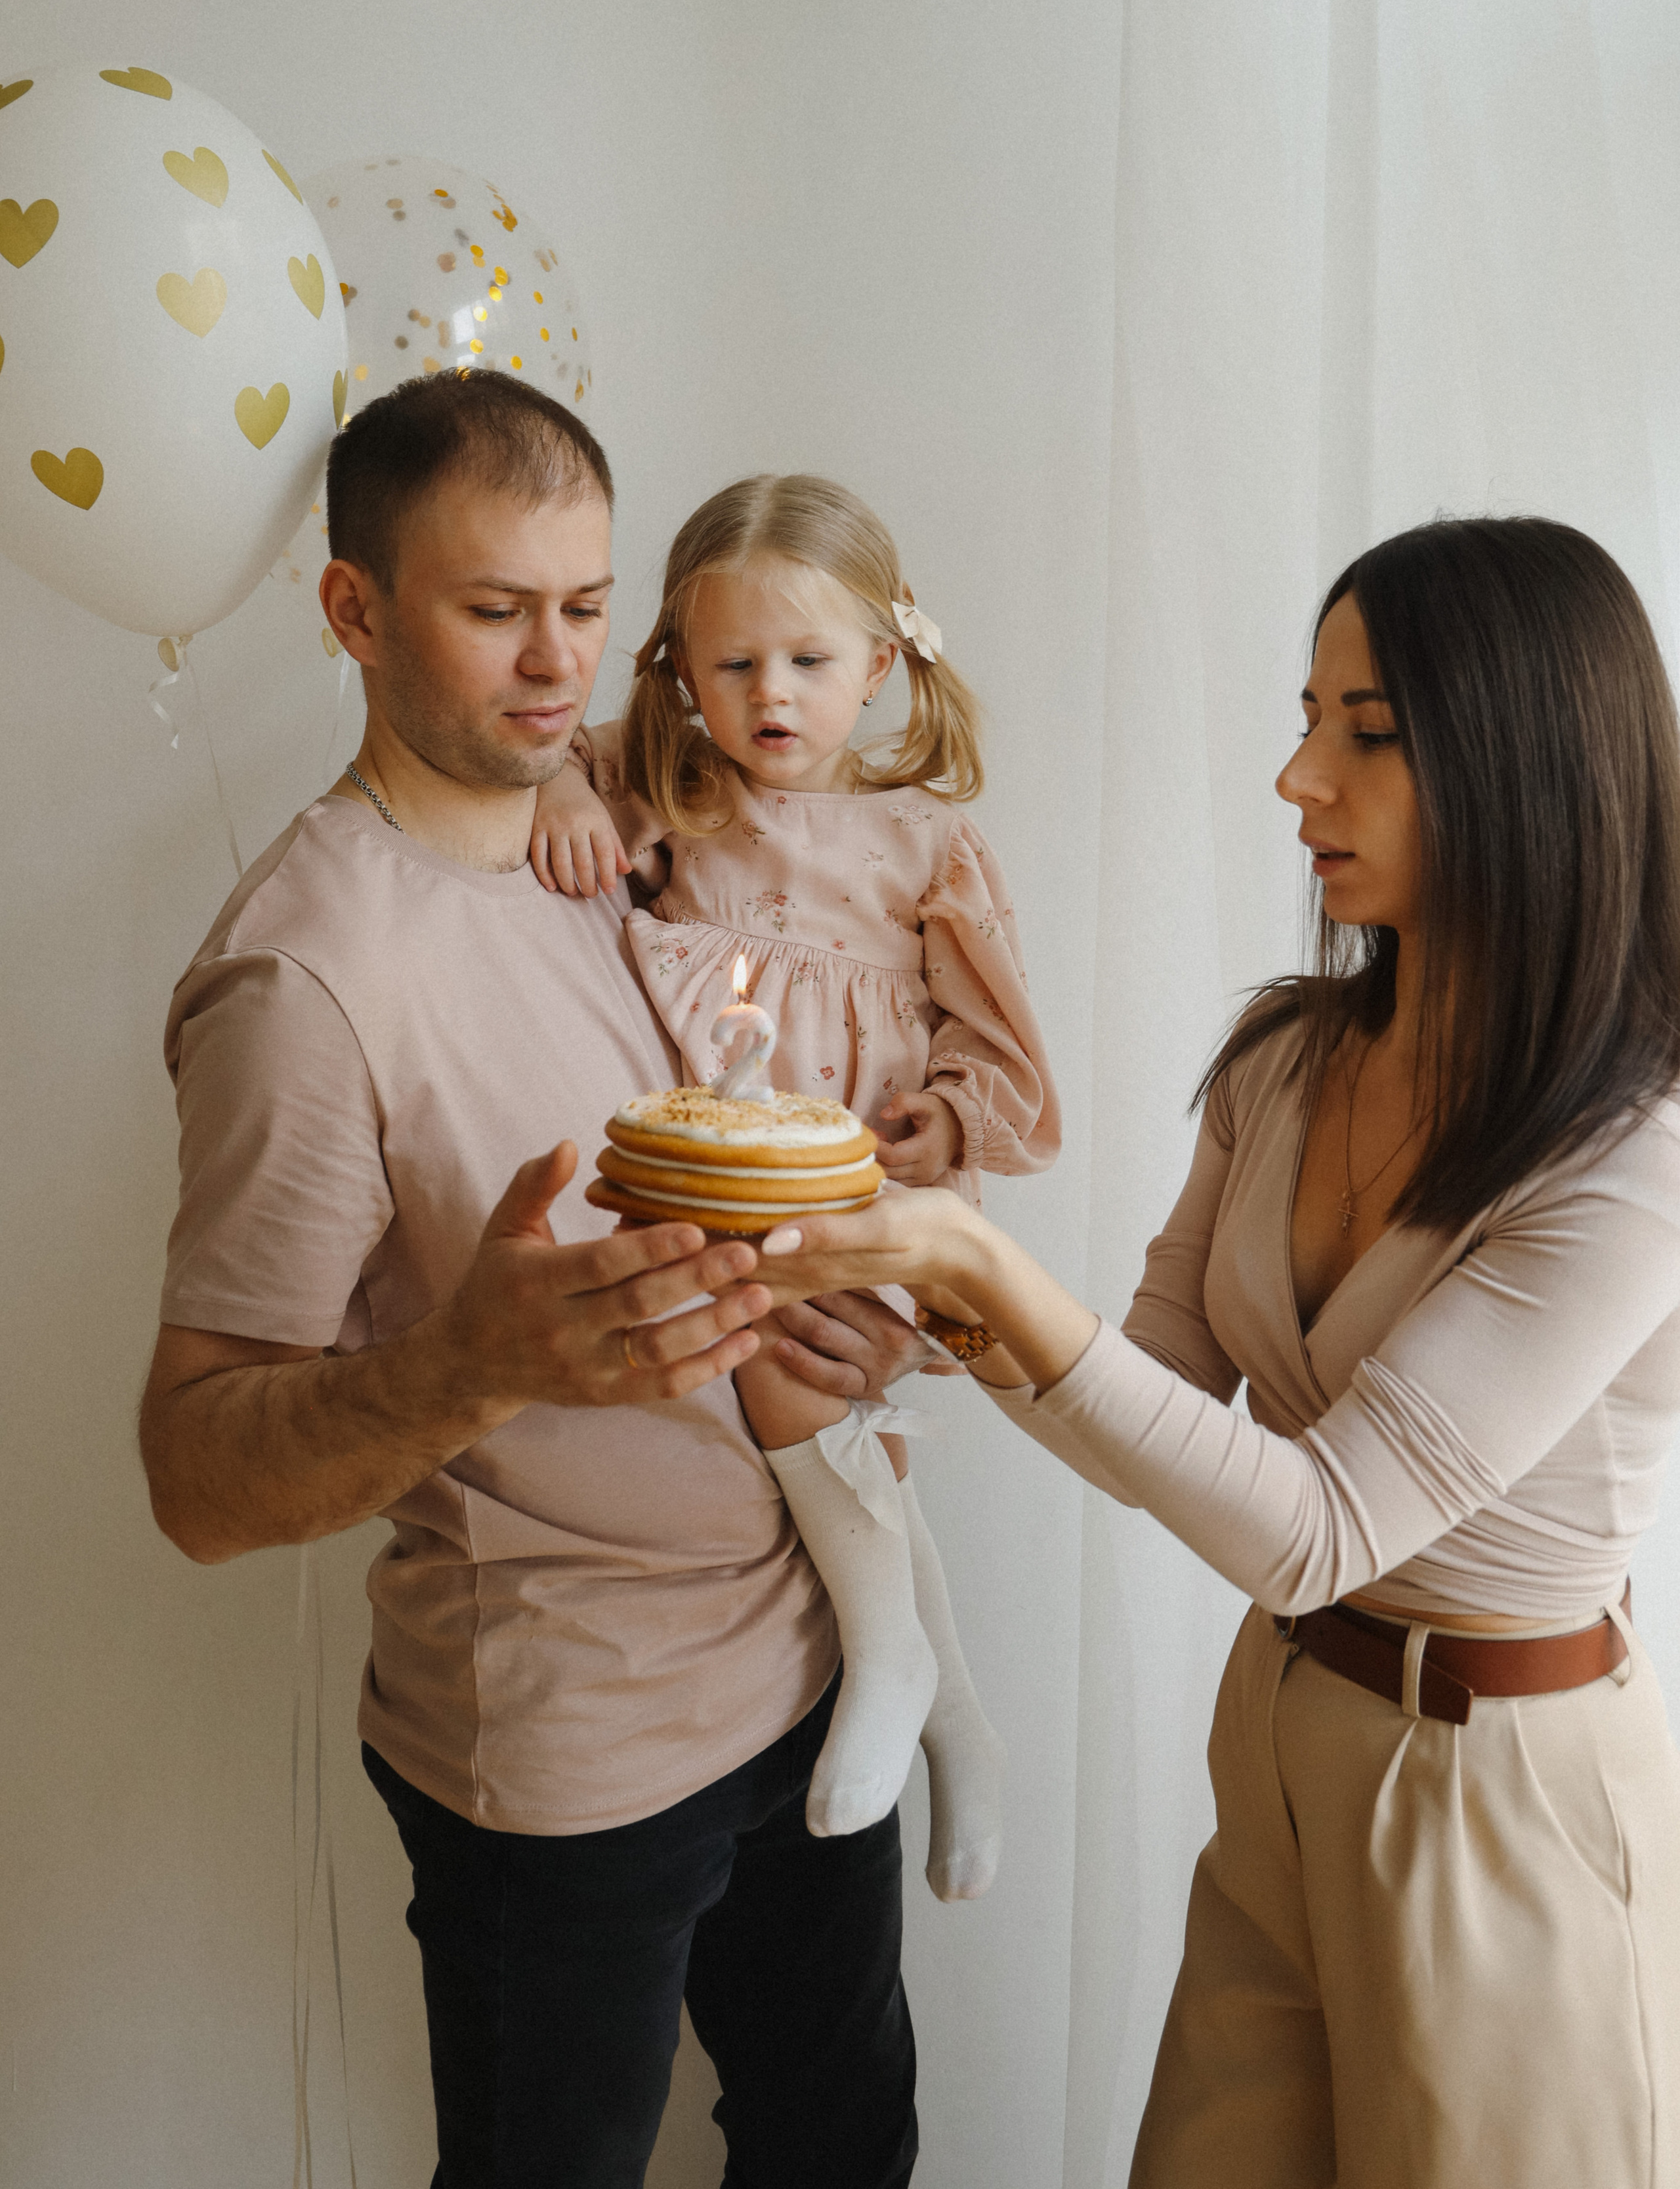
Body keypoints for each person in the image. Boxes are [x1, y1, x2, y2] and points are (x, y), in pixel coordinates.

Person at [753, 515, 1680, 2189]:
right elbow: (1162, 1398)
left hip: (1500, 1796)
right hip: (1278, 1724)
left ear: (1529, 766)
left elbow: (1321, 1518)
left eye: (1364, 734)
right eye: (1305, 716)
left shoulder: (1631, 1153)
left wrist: (981, 1270)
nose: (1295, 780)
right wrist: (929, 1303)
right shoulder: (1286, 1058)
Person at [137, 372, 927, 2189]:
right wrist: (466, 1367)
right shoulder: (305, 984)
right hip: (567, 1755)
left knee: (844, 2150)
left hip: (807, 1664)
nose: (557, 663)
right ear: (352, 612)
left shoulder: (615, 831)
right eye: (496, 613)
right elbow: (195, 1474)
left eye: (586, 608)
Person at [534, 474, 1058, 1895]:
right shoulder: (675, 798)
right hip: (721, 1167)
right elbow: (542, 764)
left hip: (848, 1186)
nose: (770, 695)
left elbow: (989, 1044)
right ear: (679, 670)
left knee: (791, 1352)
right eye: (734, 664)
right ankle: (945, 1706)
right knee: (836, 1427)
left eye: (809, 662)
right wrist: (580, 790)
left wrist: (939, 1129)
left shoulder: (926, 842)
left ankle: (889, 1658)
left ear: (880, 666)